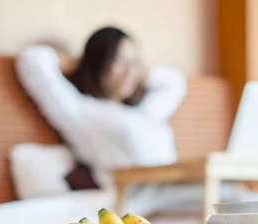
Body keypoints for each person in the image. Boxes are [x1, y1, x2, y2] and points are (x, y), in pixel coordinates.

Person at [15, 26, 187, 190]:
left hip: (173, 188)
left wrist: (141, 73)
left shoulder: (145, 111)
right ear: (98, 62)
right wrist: (75, 63)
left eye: (134, 62)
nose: (128, 71)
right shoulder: (79, 111)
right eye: (118, 61)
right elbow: (32, 60)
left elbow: (175, 82)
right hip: (137, 199)